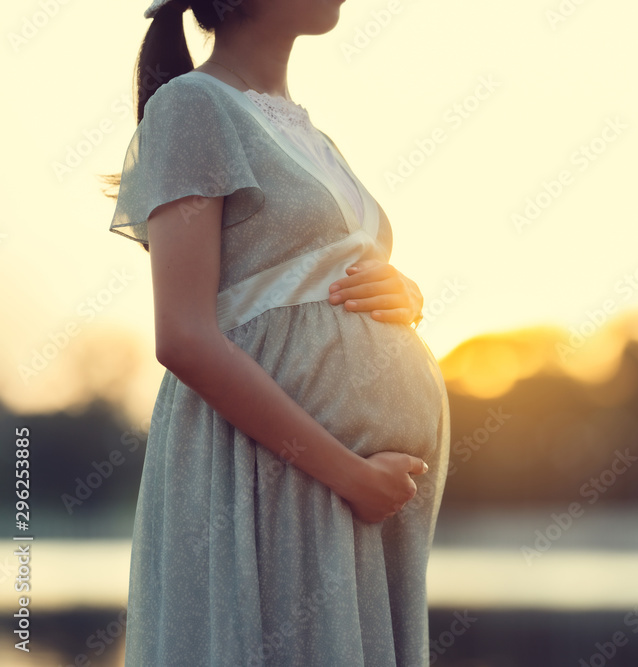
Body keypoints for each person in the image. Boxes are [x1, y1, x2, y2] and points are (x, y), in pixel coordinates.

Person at [102, 0, 450, 664]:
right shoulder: (192, 107)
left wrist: (404, 295)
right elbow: (183, 335)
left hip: (351, 498)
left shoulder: (311, 133)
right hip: (275, 476)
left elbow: (311, 274)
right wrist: (349, 474)